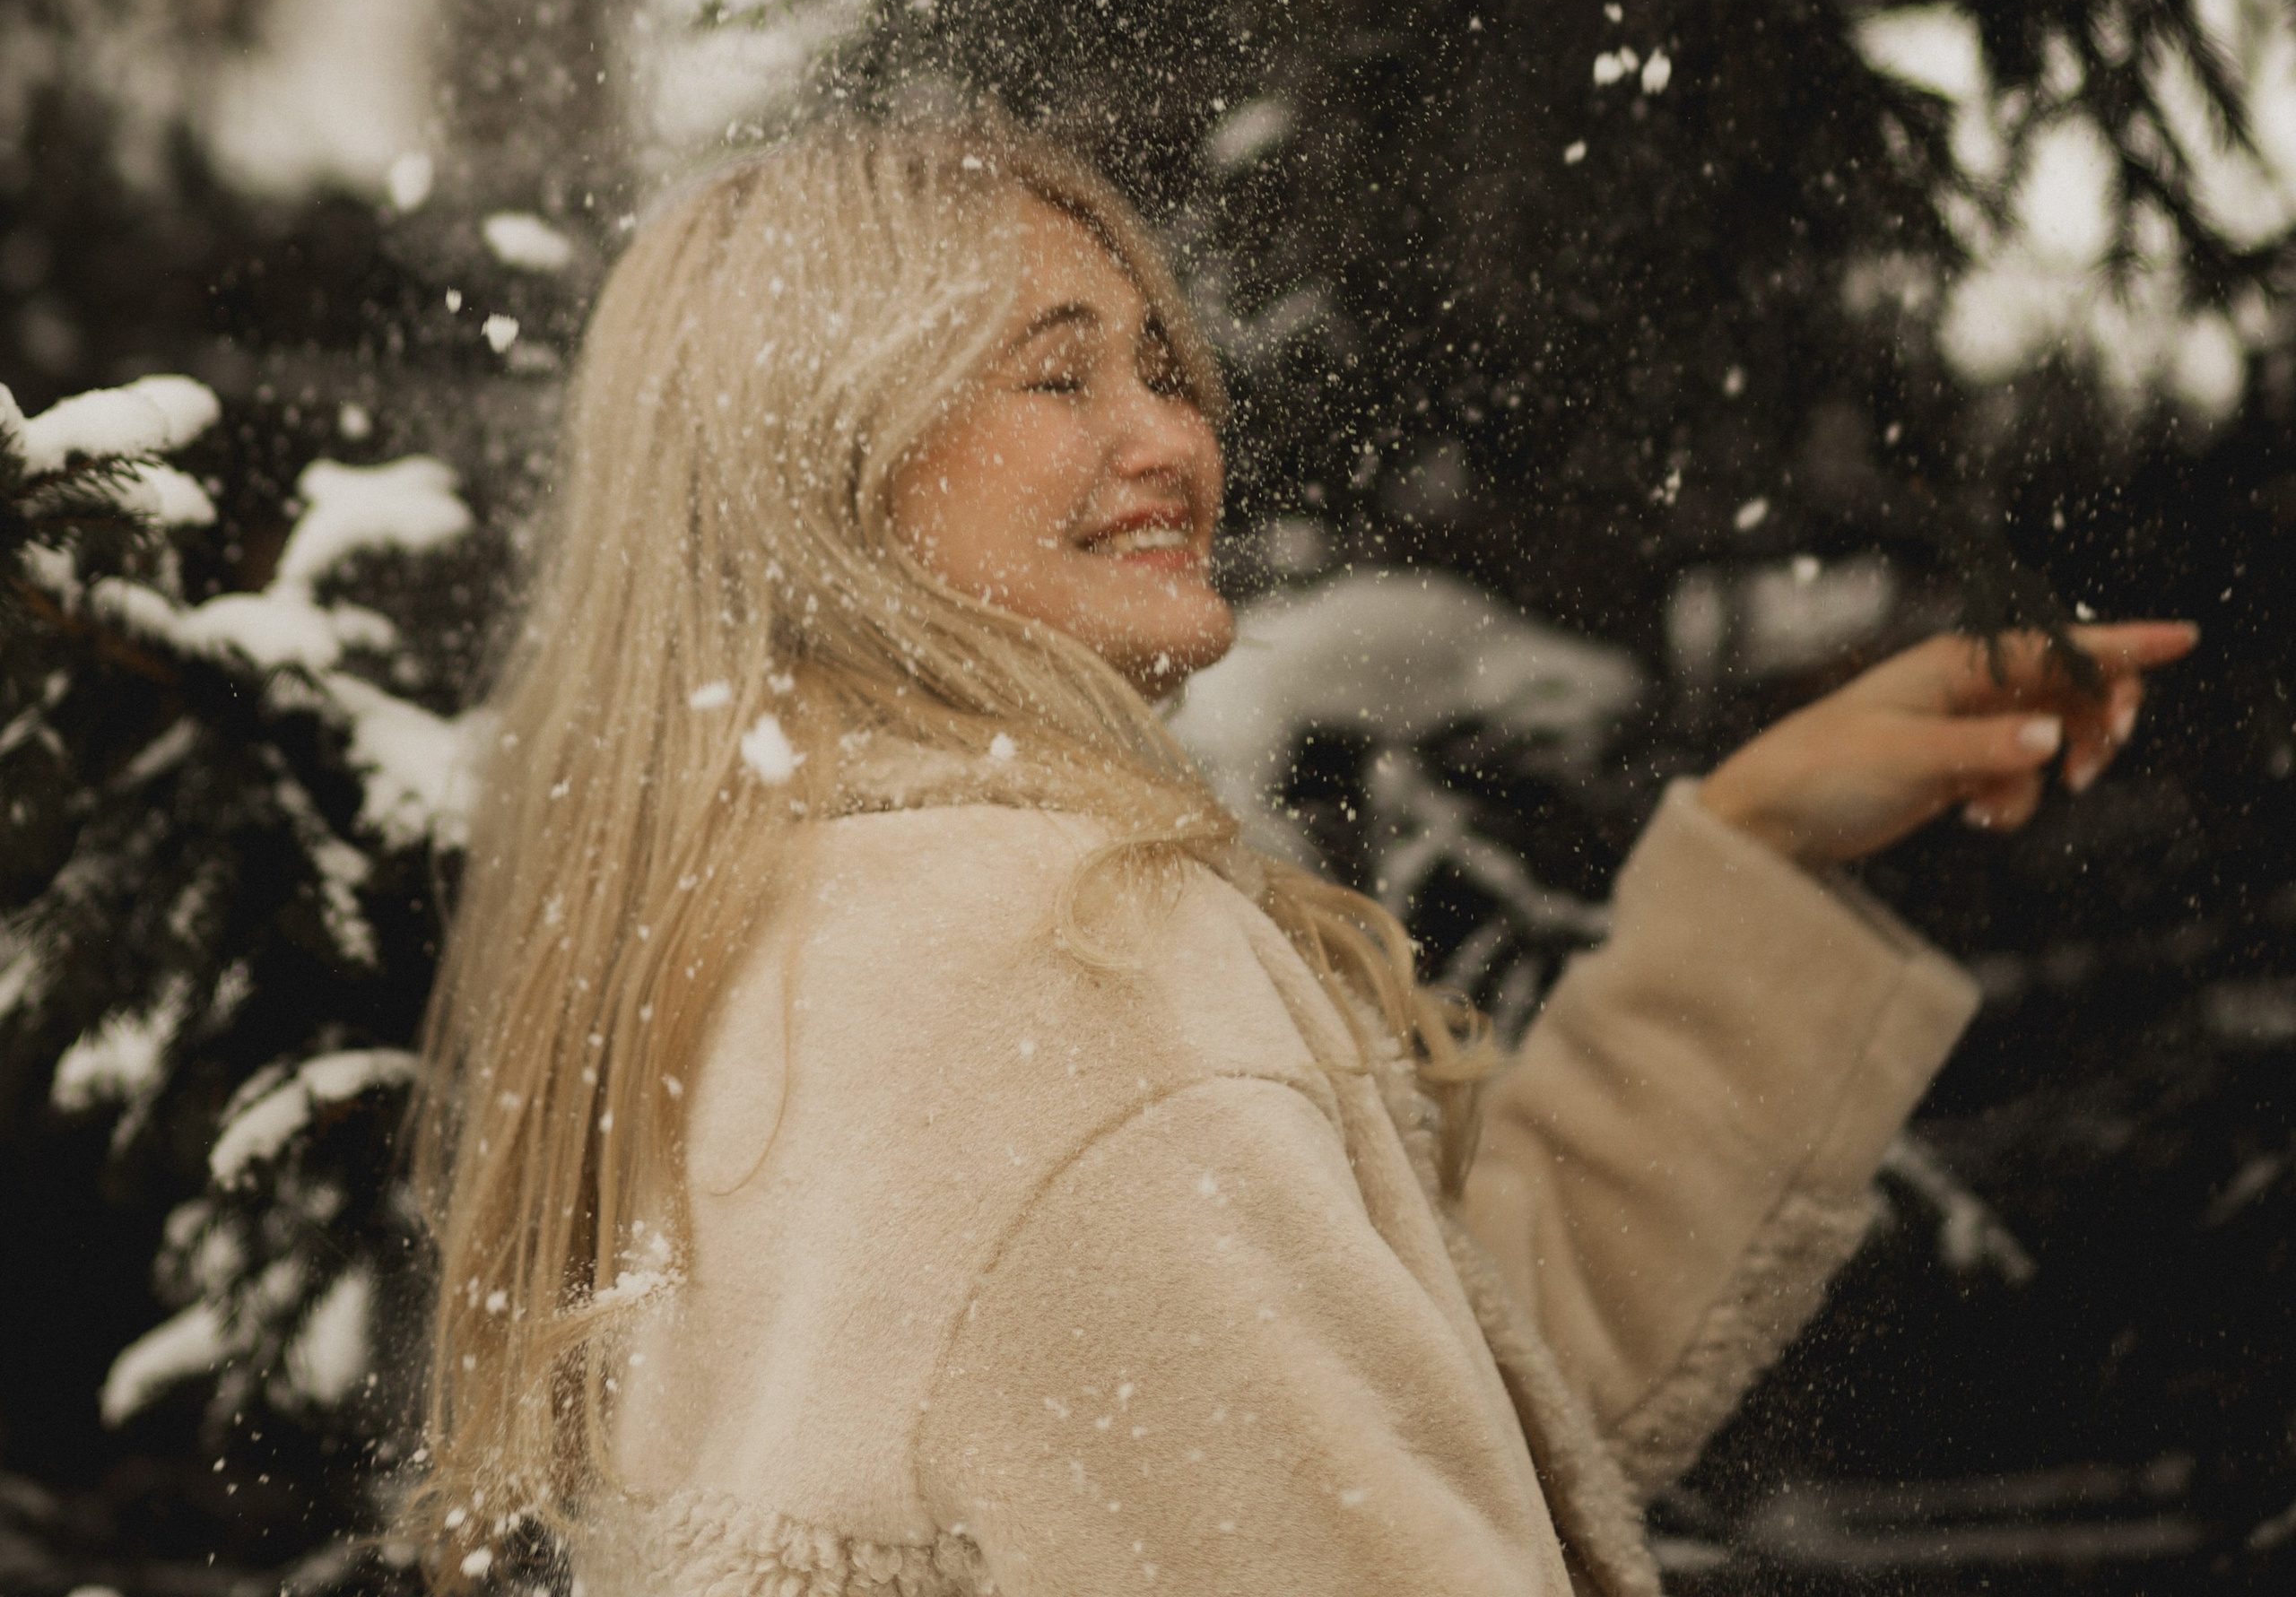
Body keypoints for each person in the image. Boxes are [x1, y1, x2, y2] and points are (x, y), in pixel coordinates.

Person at [406, 116, 2195, 1597]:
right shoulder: (1054, 964)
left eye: (1160, 369)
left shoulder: (792, 921)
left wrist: (1757, 850)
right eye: (1057, 375)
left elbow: (1401, 1411)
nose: (1169, 439)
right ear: (821, 462)